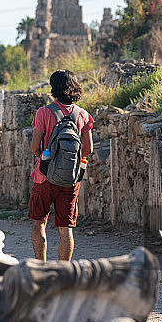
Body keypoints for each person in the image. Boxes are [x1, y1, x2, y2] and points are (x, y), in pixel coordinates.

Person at [28, 69, 93, 261]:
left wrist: (48, 160)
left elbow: (34, 147)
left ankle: (41, 269)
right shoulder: (83, 115)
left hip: (45, 177)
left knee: (39, 223)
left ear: (53, 88)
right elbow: (87, 149)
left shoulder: (44, 113)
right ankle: (63, 273)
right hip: (71, 179)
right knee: (66, 229)